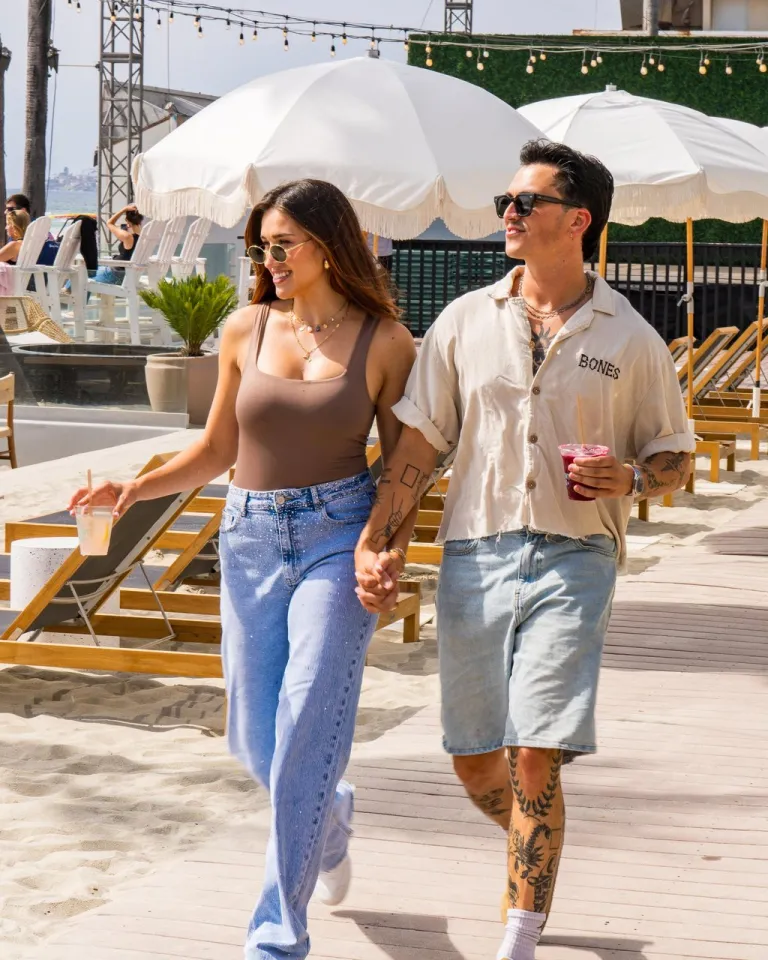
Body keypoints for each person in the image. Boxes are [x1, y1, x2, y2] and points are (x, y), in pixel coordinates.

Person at [353, 140, 694, 960]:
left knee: (535, 755)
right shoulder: (466, 321)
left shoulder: (633, 338)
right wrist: (378, 541)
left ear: (578, 221)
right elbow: (421, 445)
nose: (506, 214)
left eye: (524, 202)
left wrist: (633, 481)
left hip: (577, 558)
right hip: (475, 553)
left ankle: (519, 933)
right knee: (476, 763)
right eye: (506, 201)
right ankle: (531, 854)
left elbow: (674, 453)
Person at [67, 178, 417, 960]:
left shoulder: (385, 342)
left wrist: (385, 550)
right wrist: (131, 488)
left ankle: (275, 938)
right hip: (250, 535)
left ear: (329, 245)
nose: (269, 258)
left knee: (302, 726)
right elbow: (219, 450)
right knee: (253, 739)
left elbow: (404, 467)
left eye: (283, 244)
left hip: (337, 533)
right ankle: (327, 816)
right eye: (263, 245)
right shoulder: (244, 329)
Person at [91, 203, 144, 284]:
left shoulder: (128, 237)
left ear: (127, 220)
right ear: (140, 220)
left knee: (82, 272)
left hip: (115, 274)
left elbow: (109, 223)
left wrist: (123, 209)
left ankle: (67, 292)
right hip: (127, 275)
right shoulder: (144, 237)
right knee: (87, 278)